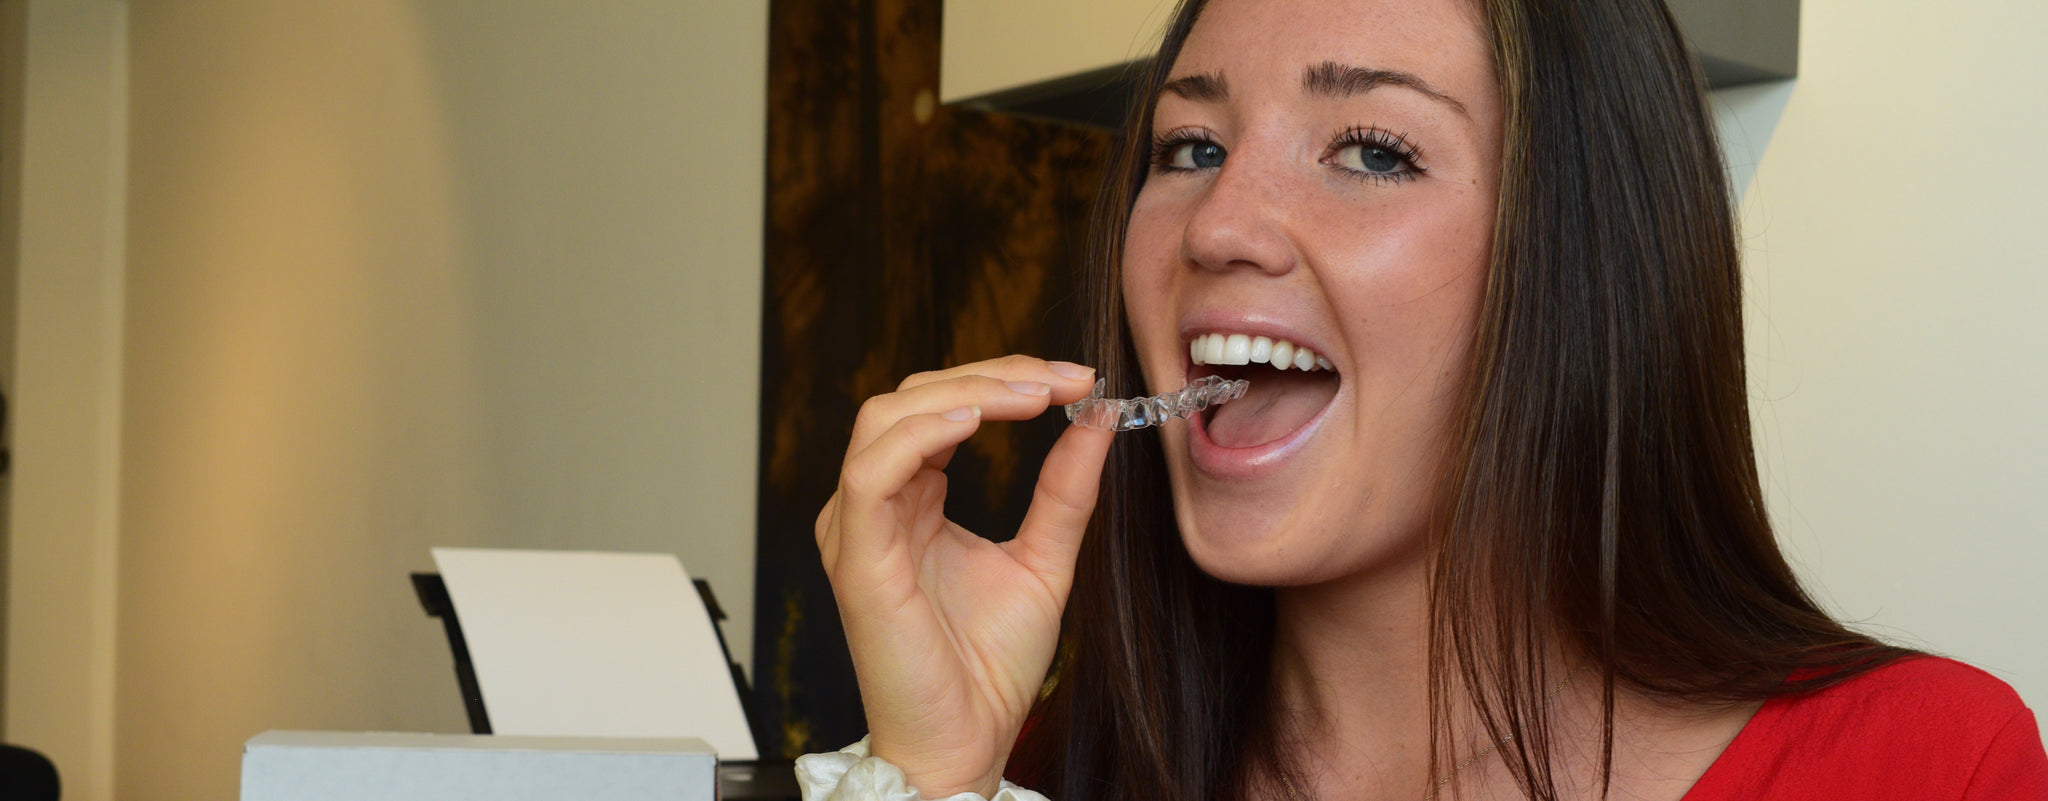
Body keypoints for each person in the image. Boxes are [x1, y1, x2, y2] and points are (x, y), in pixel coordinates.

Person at [804, 0, 2048, 798]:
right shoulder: (1034, 774)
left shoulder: (1926, 765)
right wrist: (928, 777)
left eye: (1371, 151)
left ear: (1580, 259)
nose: (1220, 225)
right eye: (1190, 148)